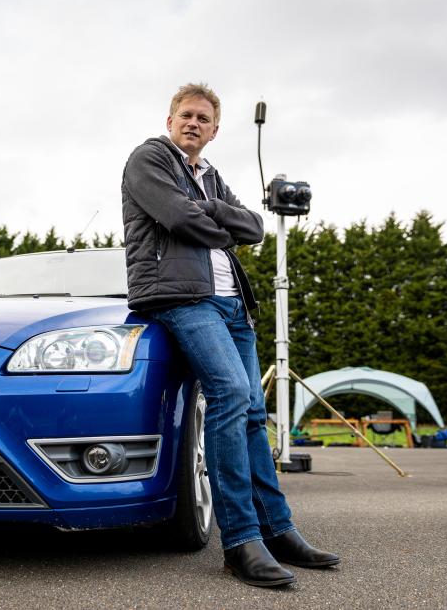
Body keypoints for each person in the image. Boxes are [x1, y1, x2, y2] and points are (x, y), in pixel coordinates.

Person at [121, 83, 339, 588]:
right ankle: (241, 541)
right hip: (181, 297)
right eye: (185, 115)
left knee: (252, 414)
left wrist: (212, 213)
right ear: (170, 119)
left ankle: (277, 529)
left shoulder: (209, 175)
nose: (193, 123)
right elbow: (177, 217)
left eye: (203, 119)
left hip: (233, 304)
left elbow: (256, 227)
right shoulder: (150, 158)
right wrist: (218, 220)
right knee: (231, 394)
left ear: (215, 131)